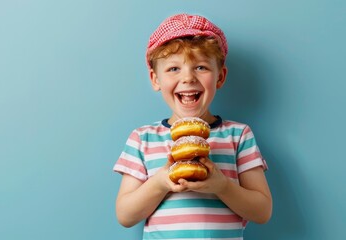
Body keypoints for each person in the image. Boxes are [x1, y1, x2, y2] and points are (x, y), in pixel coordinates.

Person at [113, 13, 272, 239]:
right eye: (173, 69)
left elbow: (262, 211)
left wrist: (221, 186)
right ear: (155, 79)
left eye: (201, 67)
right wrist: (160, 182)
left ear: (220, 77)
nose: (188, 78)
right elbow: (125, 215)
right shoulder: (143, 139)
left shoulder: (238, 135)